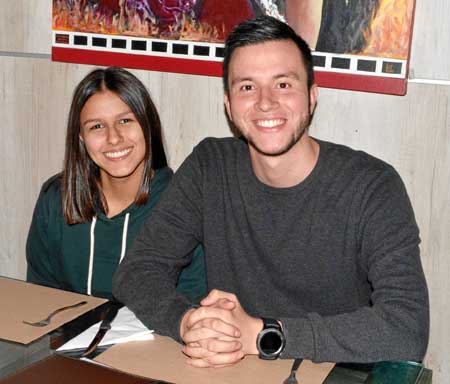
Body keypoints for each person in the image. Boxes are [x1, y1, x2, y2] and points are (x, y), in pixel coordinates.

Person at [113, 16, 429, 367]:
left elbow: (406, 329)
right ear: (229, 106)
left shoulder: (372, 186)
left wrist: (263, 334)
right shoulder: (210, 166)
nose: (265, 102)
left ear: (312, 97)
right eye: (247, 87)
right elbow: (137, 271)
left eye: (283, 84)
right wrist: (189, 322)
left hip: (334, 373)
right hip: (233, 371)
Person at [26, 66, 206, 302]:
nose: (113, 138)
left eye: (125, 120)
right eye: (96, 126)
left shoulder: (185, 205)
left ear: (148, 125)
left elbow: (192, 311)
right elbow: (40, 299)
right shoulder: (57, 198)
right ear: (81, 138)